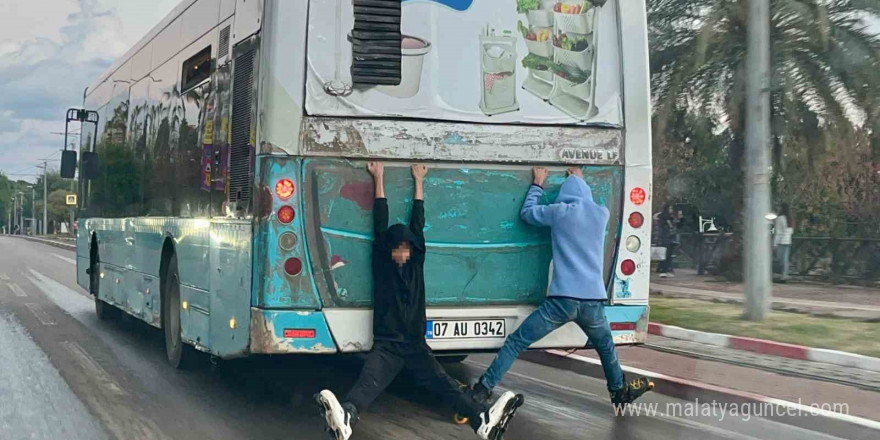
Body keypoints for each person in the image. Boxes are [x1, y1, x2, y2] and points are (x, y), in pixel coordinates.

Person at [315, 162, 524, 440]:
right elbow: (379, 219)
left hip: (415, 346)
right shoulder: (382, 261)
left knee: (444, 384)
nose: (403, 252)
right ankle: (345, 418)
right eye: (398, 248)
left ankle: (481, 421)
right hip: (388, 345)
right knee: (368, 384)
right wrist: (379, 177)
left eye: (407, 248)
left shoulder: (416, 262)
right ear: (389, 248)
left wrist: (419, 182)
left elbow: (418, 222)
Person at [468, 167, 652, 411]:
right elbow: (591, 198)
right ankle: (618, 393)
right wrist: (580, 179)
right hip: (593, 303)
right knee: (606, 348)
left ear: (564, 194)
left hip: (561, 301)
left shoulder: (559, 212)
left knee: (516, 342)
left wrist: (537, 184)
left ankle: (482, 390)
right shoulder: (601, 214)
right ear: (584, 191)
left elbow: (527, 213)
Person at [656, 204, 679, 278]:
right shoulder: (664, 218)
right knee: (665, 254)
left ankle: (665, 269)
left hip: (670, 238)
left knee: (669, 255)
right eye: (670, 208)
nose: (671, 210)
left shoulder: (670, 218)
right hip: (665, 238)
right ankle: (663, 270)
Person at [774, 203, 794, 283]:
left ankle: (783, 275)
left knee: (780, 258)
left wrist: (775, 243)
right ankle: (784, 275)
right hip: (788, 240)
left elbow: (778, 232)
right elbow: (790, 230)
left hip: (781, 241)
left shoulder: (780, 218)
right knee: (785, 259)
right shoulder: (789, 218)